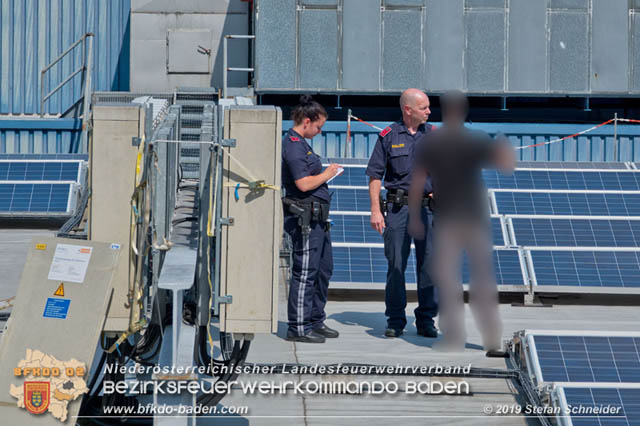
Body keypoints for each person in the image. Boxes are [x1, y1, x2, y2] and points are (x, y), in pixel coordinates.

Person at [408, 91, 515, 354]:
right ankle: (491, 342)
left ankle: (453, 338)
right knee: (483, 281)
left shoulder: (431, 142)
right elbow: (506, 166)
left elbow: (417, 180)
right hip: (474, 220)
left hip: (446, 219)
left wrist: (414, 218)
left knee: (448, 281)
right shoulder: (476, 139)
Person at [365, 88, 438, 338]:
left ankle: (426, 319)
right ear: (408, 110)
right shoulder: (388, 136)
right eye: (424, 107)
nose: (429, 111)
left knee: (429, 266)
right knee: (396, 264)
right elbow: (375, 175)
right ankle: (395, 320)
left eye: (428, 107)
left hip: (428, 211)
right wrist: (376, 210)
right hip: (398, 209)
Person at [281, 95, 342, 343]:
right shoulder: (293, 145)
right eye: (318, 127)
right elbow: (303, 183)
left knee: (323, 269)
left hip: (318, 217)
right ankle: (298, 326)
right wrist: (327, 174)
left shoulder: (302, 144)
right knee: (305, 271)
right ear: (306, 121)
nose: (319, 132)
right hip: (304, 218)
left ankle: (315, 320)